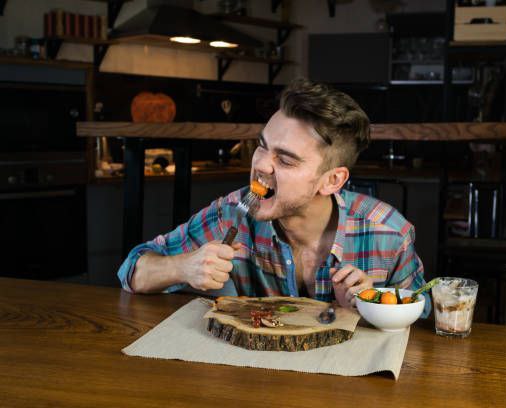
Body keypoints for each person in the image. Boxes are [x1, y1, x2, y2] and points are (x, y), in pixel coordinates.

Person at [117, 78, 425, 309]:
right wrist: (182, 267)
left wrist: (373, 307)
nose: (261, 164)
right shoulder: (232, 214)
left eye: (286, 160)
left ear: (332, 180)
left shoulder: (389, 234)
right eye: (262, 146)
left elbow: (423, 323)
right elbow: (132, 270)